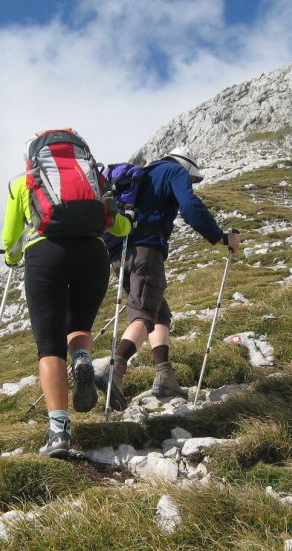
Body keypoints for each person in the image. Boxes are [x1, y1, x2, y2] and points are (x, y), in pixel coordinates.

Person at [3, 129, 132, 458]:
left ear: (34, 157)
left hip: (46, 257)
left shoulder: (24, 182)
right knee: (80, 327)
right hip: (93, 255)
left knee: (49, 346)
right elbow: (117, 225)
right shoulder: (94, 181)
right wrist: (128, 226)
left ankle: (59, 432)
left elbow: (10, 238)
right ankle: (84, 359)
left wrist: (11, 257)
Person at [96, 147, 240, 410]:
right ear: (187, 167)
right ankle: (114, 370)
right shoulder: (174, 171)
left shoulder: (143, 176)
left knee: (159, 313)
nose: (192, 182)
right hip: (146, 249)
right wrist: (220, 237)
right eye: (193, 179)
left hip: (119, 251)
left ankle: (165, 375)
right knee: (143, 315)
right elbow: (190, 207)